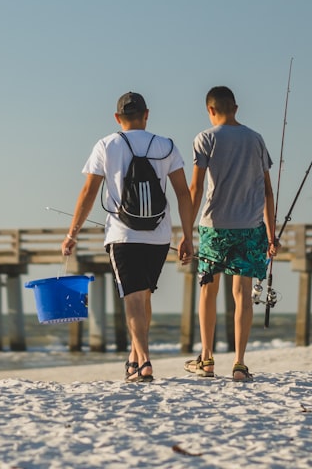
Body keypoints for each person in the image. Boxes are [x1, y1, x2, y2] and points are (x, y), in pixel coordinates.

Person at [61, 91, 193, 383]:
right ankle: (134, 359)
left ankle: (144, 361)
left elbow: (88, 192)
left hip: (123, 234)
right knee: (142, 294)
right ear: (147, 114)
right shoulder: (166, 145)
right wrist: (187, 236)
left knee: (131, 296)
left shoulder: (106, 145)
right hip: (159, 235)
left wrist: (72, 234)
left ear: (117, 118)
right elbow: (184, 193)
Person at [183, 86, 278, 382]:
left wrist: (187, 231)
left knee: (208, 291)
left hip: (214, 227)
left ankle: (207, 359)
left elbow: (196, 189)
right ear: (236, 107)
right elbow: (267, 191)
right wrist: (272, 235)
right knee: (243, 296)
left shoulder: (205, 138)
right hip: (250, 227)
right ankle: (239, 363)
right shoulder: (256, 139)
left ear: (210, 110)